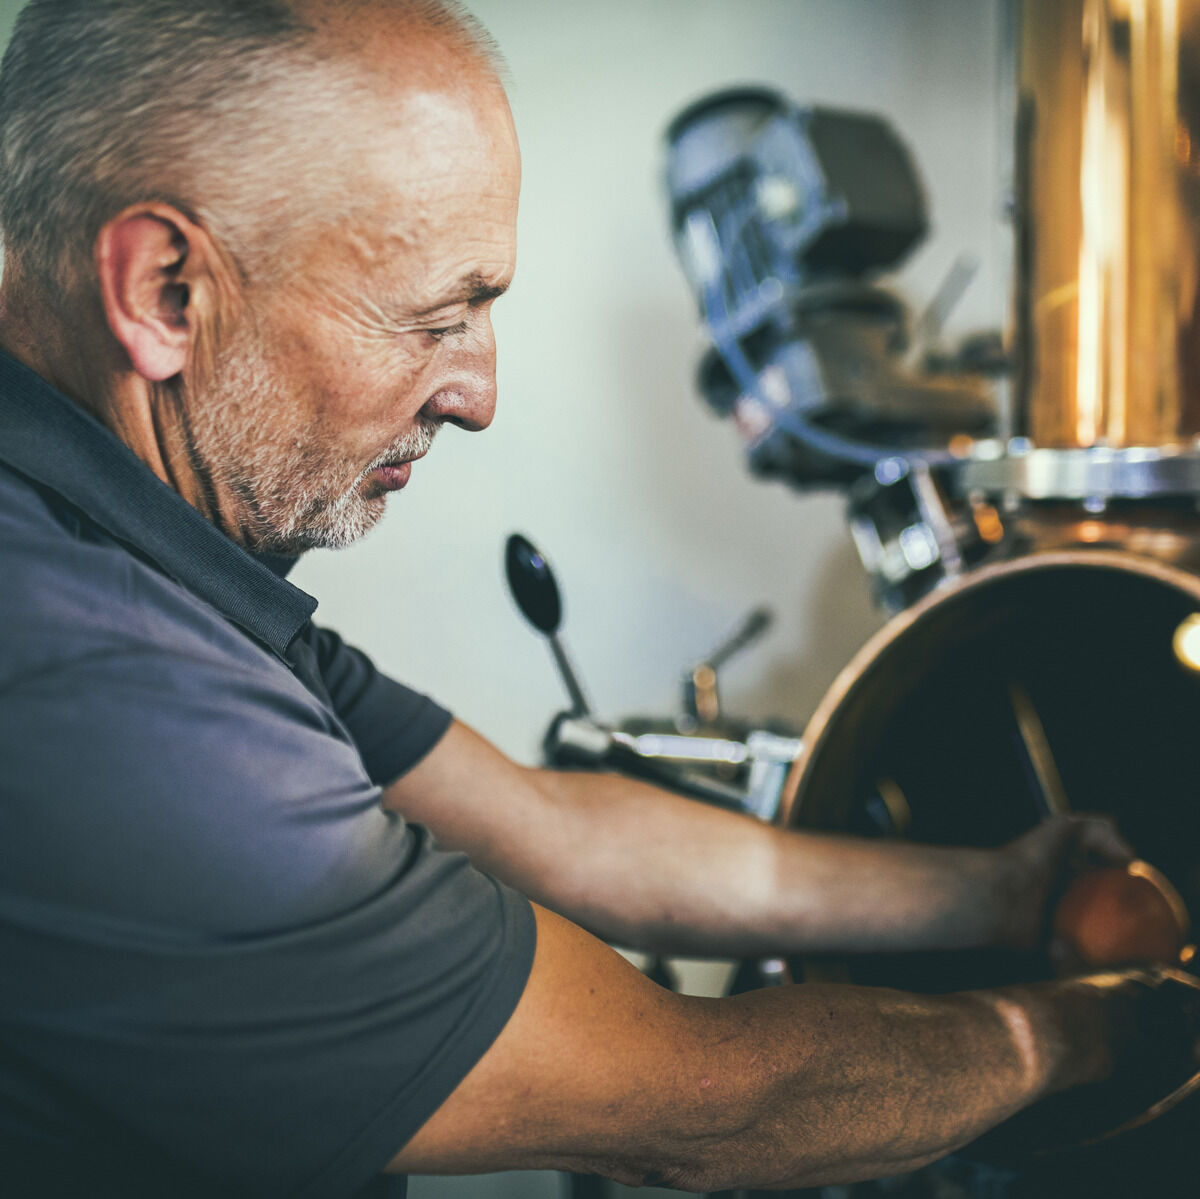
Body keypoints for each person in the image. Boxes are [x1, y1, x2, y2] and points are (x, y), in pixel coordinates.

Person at [0, 2, 1195, 1197]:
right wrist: (1114, 1026)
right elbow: (712, 1103)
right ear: (164, 291)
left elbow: (556, 826)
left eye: (487, 310)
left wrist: (1007, 890)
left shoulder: (146, 560)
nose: (476, 392)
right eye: (433, 316)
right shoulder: (98, 685)